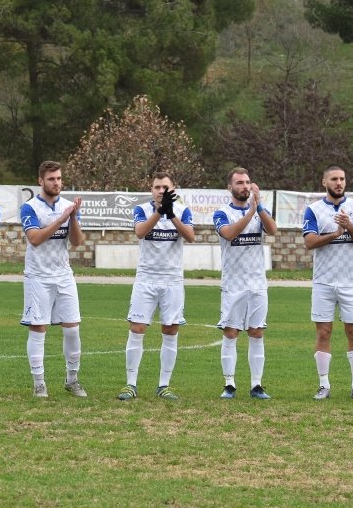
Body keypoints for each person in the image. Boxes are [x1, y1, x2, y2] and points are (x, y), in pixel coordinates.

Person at [118, 172, 196, 401]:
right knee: (137, 328)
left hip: (172, 280)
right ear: (151, 190)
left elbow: (190, 236)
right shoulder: (142, 210)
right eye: (157, 187)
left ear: (173, 189)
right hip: (146, 279)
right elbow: (140, 232)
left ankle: (164, 385)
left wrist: (171, 215)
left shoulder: (183, 211)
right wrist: (159, 212)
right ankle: (130, 384)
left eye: (165, 187)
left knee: (170, 330)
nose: (161, 191)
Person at [303, 165, 353, 400]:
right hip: (323, 282)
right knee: (324, 332)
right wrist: (334, 233)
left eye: (342, 178)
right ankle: (324, 385)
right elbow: (309, 242)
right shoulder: (313, 210)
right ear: (324, 182)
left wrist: (349, 226)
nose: (339, 183)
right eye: (334, 179)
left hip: (351, 282)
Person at [19, 161, 86, 398]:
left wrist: (73, 218)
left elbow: (77, 242)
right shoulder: (29, 208)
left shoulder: (68, 206)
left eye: (58, 178)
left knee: (72, 329)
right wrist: (60, 220)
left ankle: (72, 379)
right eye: (51, 179)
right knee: (39, 329)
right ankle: (39, 382)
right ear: (40, 181)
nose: (56, 183)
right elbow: (35, 239)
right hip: (38, 276)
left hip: (63, 275)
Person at [213, 167, 278, 400]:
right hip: (233, 283)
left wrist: (258, 207)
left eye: (248, 182)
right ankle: (229, 384)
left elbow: (272, 230)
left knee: (257, 332)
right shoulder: (221, 213)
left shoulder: (259, 210)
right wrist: (250, 213)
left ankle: (256, 385)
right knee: (231, 333)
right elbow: (229, 234)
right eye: (240, 183)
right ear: (230, 187)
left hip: (257, 282)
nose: (245, 186)